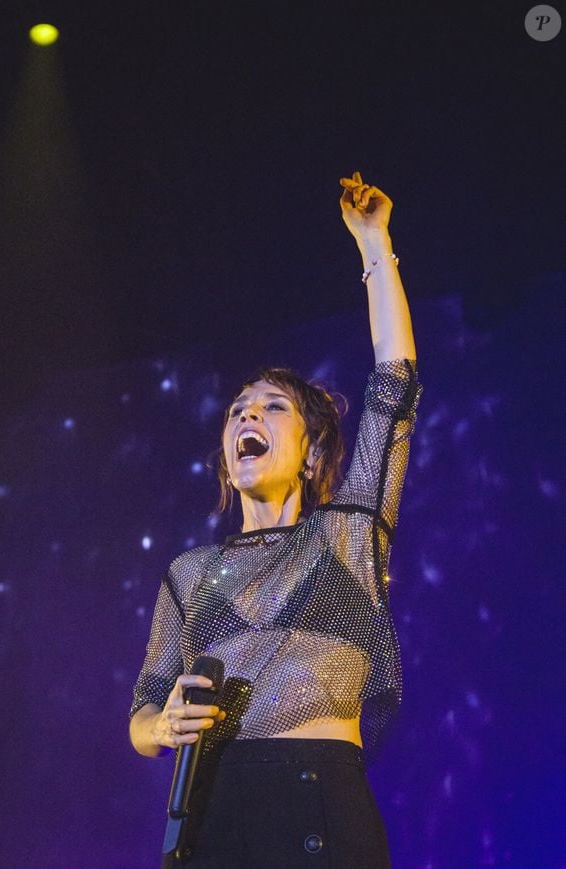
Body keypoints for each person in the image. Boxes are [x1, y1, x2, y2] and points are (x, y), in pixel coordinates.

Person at [129, 172, 422, 867]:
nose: (247, 415)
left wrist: (375, 244)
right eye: (237, 410)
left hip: (317, 799)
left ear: (312, 449)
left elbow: (394, 386)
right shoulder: (189, 572)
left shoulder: (347, 535)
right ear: (228, 460)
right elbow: (141, 713)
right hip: (214, 811)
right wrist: (160, 722)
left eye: (271, 406)